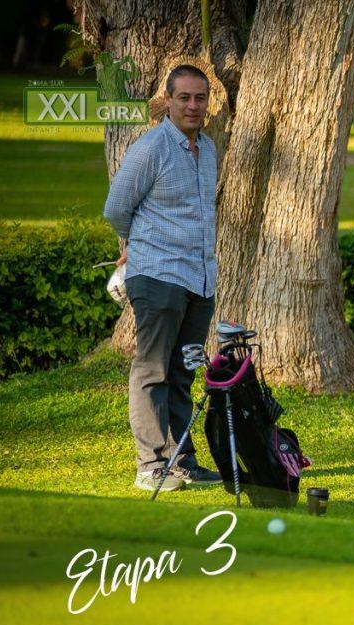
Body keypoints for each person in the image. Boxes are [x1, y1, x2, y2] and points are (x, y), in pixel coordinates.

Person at [104, 64, 223, 492]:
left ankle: (182, 460)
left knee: (183, 372)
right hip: (158, 275)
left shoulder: (208, 148)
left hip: (200, 279)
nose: (193, 105)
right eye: (184, 97)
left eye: (200, 98)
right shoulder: (150, 148)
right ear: (167, 101)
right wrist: (137, 244)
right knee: (153, 369)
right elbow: (116, 208)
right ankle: (150, 465)